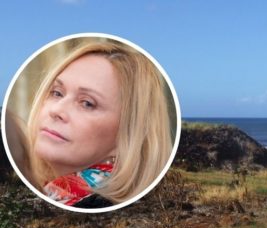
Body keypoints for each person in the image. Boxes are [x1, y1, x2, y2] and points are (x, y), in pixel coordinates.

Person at [24, 39, 173, 208]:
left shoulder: (95, 206)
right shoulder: (47, 191)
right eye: (57, 93)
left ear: (130, 133)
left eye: (87, 103)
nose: (56, 110)